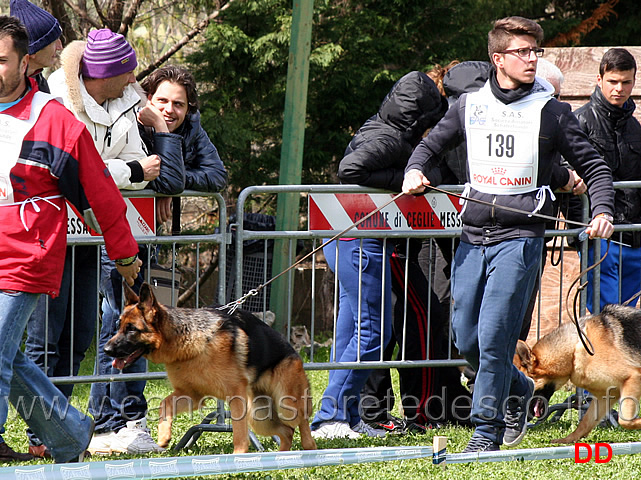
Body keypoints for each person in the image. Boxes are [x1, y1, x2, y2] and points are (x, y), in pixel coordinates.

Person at [402, 16, 615, 453]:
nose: (532, 59)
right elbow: (428, 145)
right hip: (472, 236)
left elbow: (594, 167)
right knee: (465, 339)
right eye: (522, 51)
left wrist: (603, 210)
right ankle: (519, 389)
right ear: (498, 58)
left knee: (496, 335)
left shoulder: (552, 111)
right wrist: (414, 170)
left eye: (536, 51)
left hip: (521, 239)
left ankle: (486, 432)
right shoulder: (468, 105)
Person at [0, 16, 141, 463]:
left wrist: (124, 254)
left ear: (25, 63)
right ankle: (69, 431)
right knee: (8, 355)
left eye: (1, 59)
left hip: (25, 256)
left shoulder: (55, 119)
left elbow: (101, 195)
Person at [45, 28, 176, 456]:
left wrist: (132, 164)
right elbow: (81, 167)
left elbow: (151, 165)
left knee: (94, 328)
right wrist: (131, 172)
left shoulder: (128, 99)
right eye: (129, 69)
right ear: (108, 73)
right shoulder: (60, 99)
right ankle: (53, 429)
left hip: (117, 226)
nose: (137, 77)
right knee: (53, 336)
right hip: (62, 232)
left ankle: (102, 423)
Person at [310, 71, 448, 439]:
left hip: (360, 239)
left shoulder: (385, 129)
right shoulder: (389, 137)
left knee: (353, 331)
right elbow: (349, 170)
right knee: (372, 332)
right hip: (360, 240)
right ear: (418, 118)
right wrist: (405, 177)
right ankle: (331, 417)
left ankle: (349, 416)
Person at [574, 48, 641, 311]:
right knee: (605, 322)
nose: (619, 88)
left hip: (634, 238)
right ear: (599, 79)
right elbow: (569, 174)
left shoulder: (635, 127)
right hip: (599, 236)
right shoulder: (579, 120)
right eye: (613, 81)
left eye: (626, 82)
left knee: (626, 319)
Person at [137, 64, 228, 224]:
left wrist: (175, 182)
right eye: (162, 101)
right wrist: (159, 123)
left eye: (178, 104)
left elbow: (218, 176)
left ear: (188, 109)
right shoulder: (129, 124)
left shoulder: (191, 127)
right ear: (149, 99)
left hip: (154, 228)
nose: (169, 109)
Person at [9, 0, 62, 93]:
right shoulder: (7, 91)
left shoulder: (40, 82)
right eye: (53, 42)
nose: (59, 47)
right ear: (33, 52)